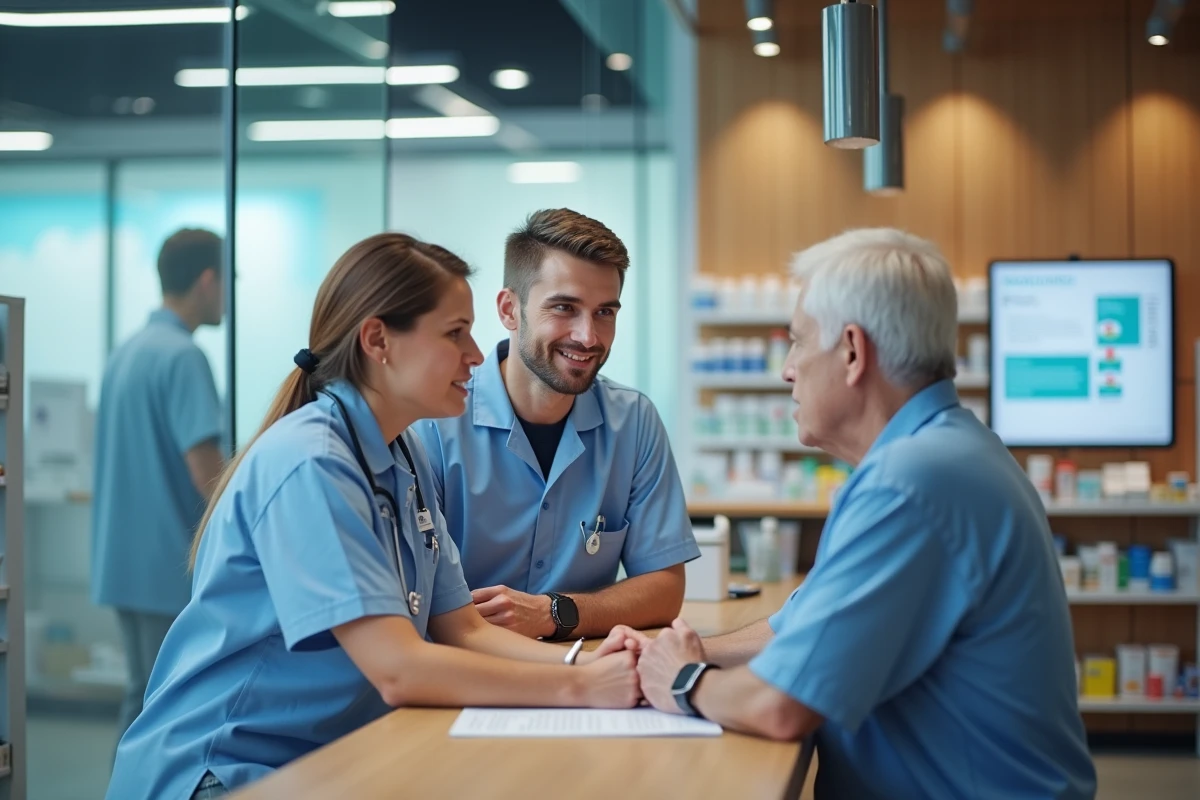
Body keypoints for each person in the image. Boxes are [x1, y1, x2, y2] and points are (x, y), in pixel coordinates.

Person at [106, 233, 640, 800]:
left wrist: (587, 662)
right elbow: (398, 669)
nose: (477, 355)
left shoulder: (402, 456)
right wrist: (579, 687)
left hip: (327, 758)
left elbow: (463, 628)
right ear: (379, 341)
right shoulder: (311, 461)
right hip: (225, 769)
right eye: (455, 332)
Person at [632, 229, 1097, 799]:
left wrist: (683, 681)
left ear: (852, 351)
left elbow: (781, 709)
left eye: (798, 343)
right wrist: (687, 648)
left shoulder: (912, 482)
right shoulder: (947, 449)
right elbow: (807, 624)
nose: (787, 369)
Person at [413, 208, 699, 641]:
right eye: (564, 308)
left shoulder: (634, 421)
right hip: (460, 678)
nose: (588, 337)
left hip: (579, 671)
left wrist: (555, 612)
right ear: (510, 310)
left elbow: (664, 589)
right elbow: (419, 601)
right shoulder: (433, 423)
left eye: (605, 312)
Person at [91, 228, 226, 745]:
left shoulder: (127, 351)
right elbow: (205, 471)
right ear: (207, 281)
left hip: (121, 562)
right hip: (165, 562)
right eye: (227, 280)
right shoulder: (183, 357)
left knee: (141, 698)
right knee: (166, 708)